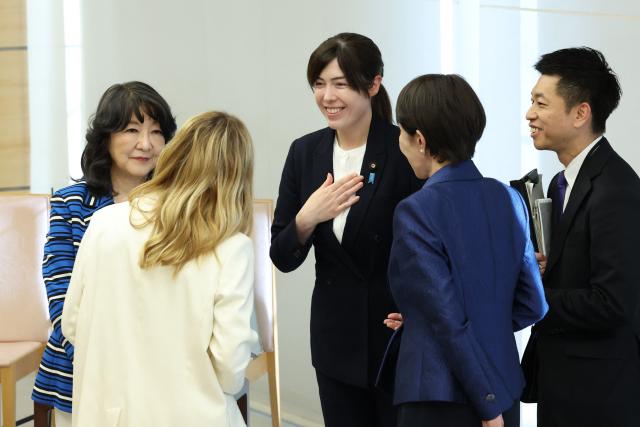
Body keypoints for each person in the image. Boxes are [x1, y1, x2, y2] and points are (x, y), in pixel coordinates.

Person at [61, 111, 257, 426]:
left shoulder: (105, 222)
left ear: (173, 155)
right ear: (237, 177)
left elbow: (72, 324)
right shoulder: (230, 247)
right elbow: (230, 364)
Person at [269, 33, 421, 427]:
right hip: (334, 339)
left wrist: (420, 310)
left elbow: (431, 245)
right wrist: (308, 217)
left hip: (395, 336)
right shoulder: (305, 152)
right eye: (319, 84)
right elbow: (282, 256)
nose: (327, 96)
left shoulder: (404, 147)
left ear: (373, 84)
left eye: (340, 83)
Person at [383, 74, 547, 427]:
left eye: (402, 132)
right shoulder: (509, 198)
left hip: (443, 401)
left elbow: (449, 321)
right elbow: (533, 302)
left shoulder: (416, 210)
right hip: (504, 389)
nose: (400, 142)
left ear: (421, 140)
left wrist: (487, 408)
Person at [32, 81, 176, 426]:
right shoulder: (70, 203)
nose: (146, 144)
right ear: (106, 137)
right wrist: (102, 359)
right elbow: (62, 299)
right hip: (82, 364)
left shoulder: (178, 205)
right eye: (131, 130)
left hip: (161, 365)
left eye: (157, 132)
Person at [521, 47, 640, 427]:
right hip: (563, 383)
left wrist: (531, 294)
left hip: (597, 393)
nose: (530, 114)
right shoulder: (563, 181)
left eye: (541, 102)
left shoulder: (616, 188)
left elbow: (612, 302)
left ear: (580, 113)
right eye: (531, 102)